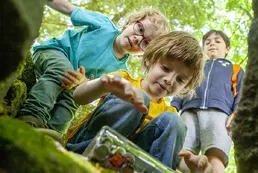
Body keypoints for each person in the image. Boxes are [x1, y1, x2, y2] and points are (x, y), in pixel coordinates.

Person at [15, 0, 170, 134]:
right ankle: (32, 116)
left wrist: (82, 82)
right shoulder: (104, 25)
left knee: (72, 100)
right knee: (62, 71)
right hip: (54, 53)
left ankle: (51, 133)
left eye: (146, 43)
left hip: (71, 84)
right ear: (130, 22)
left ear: (142, 54)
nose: (137, 38)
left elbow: (92, 93)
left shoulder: (120, 73)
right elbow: (69, 9)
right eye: (140, 29)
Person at [65, 31, 204, 170]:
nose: (170, 80)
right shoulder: (123, 80)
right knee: (138, 96)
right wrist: (103, 86)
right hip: (89, 146)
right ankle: (91, 156)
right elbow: (79, 96)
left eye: (180, 80)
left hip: (128, 165)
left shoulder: (169, 115)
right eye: (166, 68)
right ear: (150, 60)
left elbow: (173, 156)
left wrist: (195, 168)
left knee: (174, 121)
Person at [171, 30, 244, 173]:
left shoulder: (235, 68)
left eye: (217, 41)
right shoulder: (195, 66)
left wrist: (238, 113)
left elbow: (242, 92)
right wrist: (174, 106)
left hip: (219, 114)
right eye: (208, 42)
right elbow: (182, 85)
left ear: (227, 48)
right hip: (189, 110)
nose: (212, 44)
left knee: (215, 156)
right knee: (181, 154)